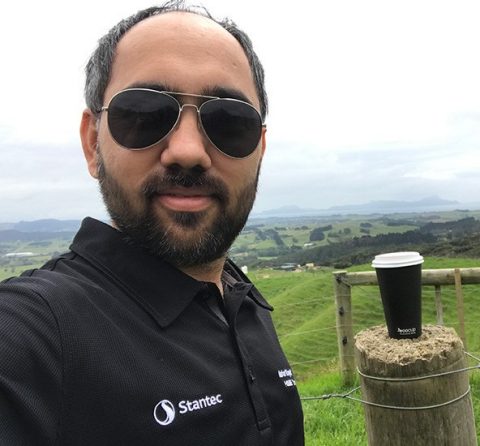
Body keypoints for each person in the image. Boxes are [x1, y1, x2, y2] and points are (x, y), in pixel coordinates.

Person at [0, 2, 304, 444]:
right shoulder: (37, 333)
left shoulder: (241, 298)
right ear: (92, 144)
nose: (188, 150)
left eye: (229, 121)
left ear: (260, 148)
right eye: (144, 113)